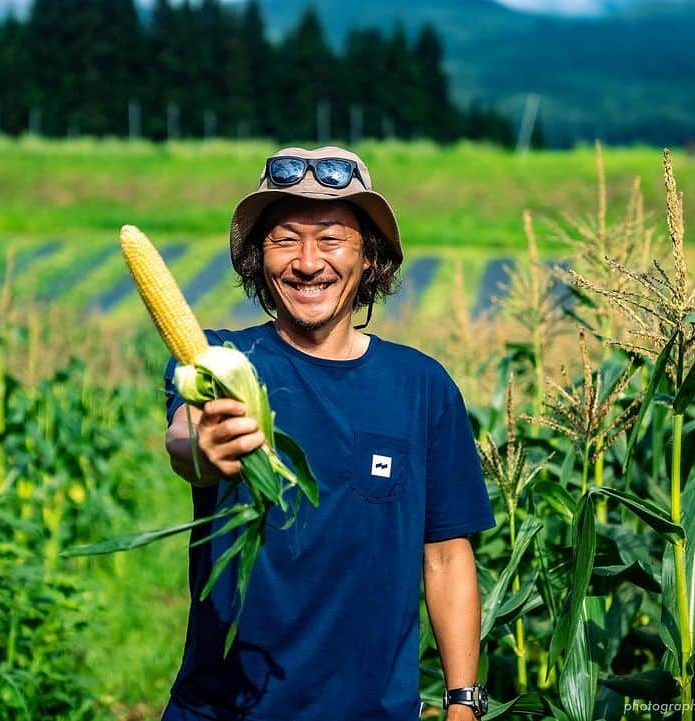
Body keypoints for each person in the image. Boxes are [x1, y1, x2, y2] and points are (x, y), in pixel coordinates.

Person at [159, 146, 496, 721]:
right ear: (257, 259)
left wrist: (463, 703)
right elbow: (187, 440)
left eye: (332, 239)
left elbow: (445, 554)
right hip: (224, 710)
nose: (308, 262)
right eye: (285, 239)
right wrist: (204, 449)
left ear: (369, 259)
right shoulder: (220, 360)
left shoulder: (421, 387)